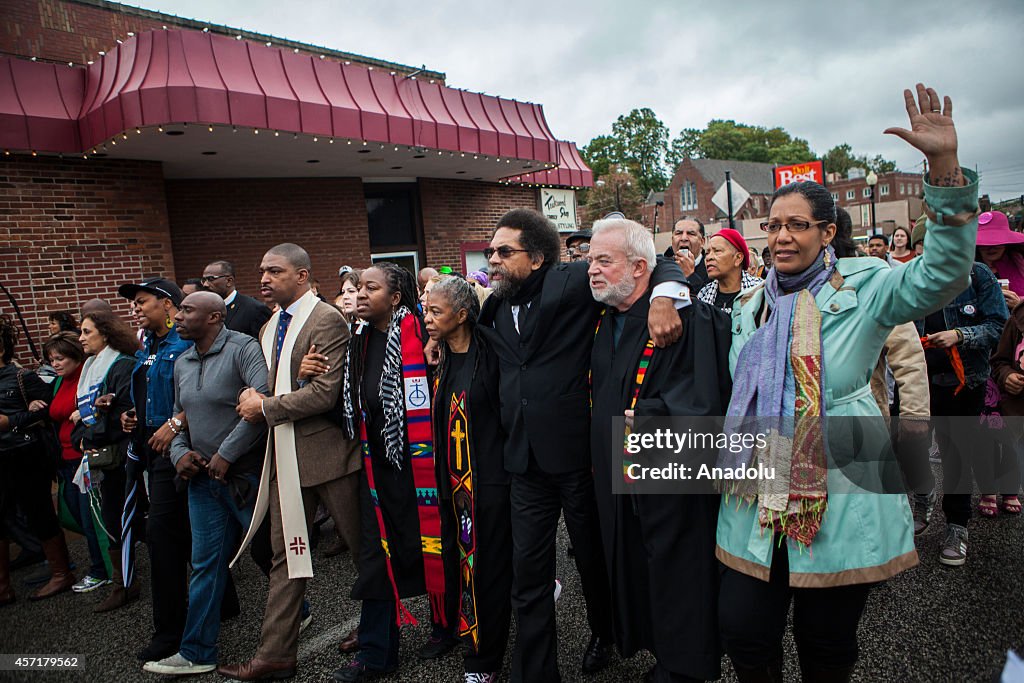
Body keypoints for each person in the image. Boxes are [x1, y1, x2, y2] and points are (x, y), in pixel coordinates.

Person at [716, 84, 980, 681]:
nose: (781, 236)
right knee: (743, 631)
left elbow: (942, 273)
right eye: (773, 226)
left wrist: (942, 166)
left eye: (798, 225)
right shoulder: (751, 303)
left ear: (827, 233)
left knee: (826, 643)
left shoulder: (867, 287)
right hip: (758, 487)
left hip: (840, 482)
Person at [479, 208, 686, 682]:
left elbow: (656, 262)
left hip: (578, 457)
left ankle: (604, 632)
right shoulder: (492, 306)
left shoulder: (572, 282)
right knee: (528, 571)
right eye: (490, 250)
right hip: (523, 461)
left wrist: (665, 296)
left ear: (535, 258)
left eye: (503, 251)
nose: (492, 259)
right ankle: (535, 673)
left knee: (595, 559)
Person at [587, 218, 731, 682]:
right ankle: (656, 649)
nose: (591, 270)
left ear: (640, 266)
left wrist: (655, 419)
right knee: (640, 564)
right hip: (622, 473)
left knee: (679, 566)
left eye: (603, 261)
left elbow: (705, 397)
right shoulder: (607, 318)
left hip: (671, 474)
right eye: (590, 260)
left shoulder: (686, 319)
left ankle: (685, 666)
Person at [221, 244, 361, 682]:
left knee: (365, 552)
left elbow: (325, 394)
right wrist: (258, 396)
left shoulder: (326, 319)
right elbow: (282, 385)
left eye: (274, 271)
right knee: (287, 559)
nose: (263, 278)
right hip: (284, 457)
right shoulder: (268, 327)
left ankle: (381, 631)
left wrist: (263, 406)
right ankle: (275, 656)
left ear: (301, 276)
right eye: (261, 270)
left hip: (330, 458)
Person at [331, 262, 456, 682]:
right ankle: (376, 653)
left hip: (424, 467)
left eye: (370, 287)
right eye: (356, 288)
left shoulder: (422, 336)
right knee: (375, 555)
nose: (359, 294)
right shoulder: (360, 339)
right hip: (379, 466)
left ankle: (448, 625)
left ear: (396, 297)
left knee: (435, 546)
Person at [143, 292, 269, 676]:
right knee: (205, 564)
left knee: (269, 552)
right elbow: (180, 417)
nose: (177, 316)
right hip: (202, 482)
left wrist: (227, 454)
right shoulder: (182, 361)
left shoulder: (243, 349)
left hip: (244, 475)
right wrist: (179, 453)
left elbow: (260, 405)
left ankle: (298, 612)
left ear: (214, 316)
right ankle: (197, 651)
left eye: (186, 310)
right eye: (179, 310)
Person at [425, 276, 510, 683]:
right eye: (426, 309)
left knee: (484, 571)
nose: (426, 319)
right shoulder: (440, 356)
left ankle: (484, 660)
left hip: (490, 487)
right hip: (454, 489)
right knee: (465, 569)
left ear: (461, 315)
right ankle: (475, 636)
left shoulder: (491, 352)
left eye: (435, 312)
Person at [914, 217, 1007, 556]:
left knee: (956, 456)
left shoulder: (978, 276)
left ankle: (957, 527)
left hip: (965, 381)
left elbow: (999, 324)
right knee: (911, 448)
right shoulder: (913, 281)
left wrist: (960, 335)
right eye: (923, 248)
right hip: (919, 381)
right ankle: (922, 500)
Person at [116, 277, 195, 661]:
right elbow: (148, 391)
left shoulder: (186, 343)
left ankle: (169, 634)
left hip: (180, 450)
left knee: (162, 539)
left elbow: (201, 392)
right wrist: (133, 415)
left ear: (168, 305)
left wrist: (176, 421)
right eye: (133, 303)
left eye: (142, 301)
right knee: (186, 533)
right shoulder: (149, 344)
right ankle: (225, 603)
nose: (135, 308)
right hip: (149, 447)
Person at [0, 316, 74, 605]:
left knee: (38, 511)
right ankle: (3, 587)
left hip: (25, 453)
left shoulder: (22, 377)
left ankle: (61, 573)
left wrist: (13, 420)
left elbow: (50, 410)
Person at [72, 311, 140, 611]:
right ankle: (122, 582)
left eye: (87, 332)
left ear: (106, 334)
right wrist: (84, 434)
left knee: (130, 520)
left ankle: (126, 583)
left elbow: (122, 415)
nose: (81, 338)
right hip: (102, 455)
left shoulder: (121, 365)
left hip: (122, 456)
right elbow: (85, 416)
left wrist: (89, 434)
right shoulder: (90, 367)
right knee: (113, 519)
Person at [41, 333, 111, 594]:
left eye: (60, 358)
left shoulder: (88, 377)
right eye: (51, 359)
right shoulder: (59, 382)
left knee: (90, 517)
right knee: (74, 515)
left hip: (85, 458)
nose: (55, 364)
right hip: (65, 460)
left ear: (74, 356)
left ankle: (101, 570)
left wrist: (84, 412)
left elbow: (98, 406)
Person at [974, 210, 1024, 514]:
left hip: (1014, 367)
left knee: (1013, 432)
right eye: (985, 242)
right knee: (985, 432)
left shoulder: (1020, 268)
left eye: (998, 241)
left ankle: (1010, 489)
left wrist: (1020, 306)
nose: (992, 247)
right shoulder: (969, 272)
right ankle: (988, 489)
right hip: (981, 364)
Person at [697, 228, 763, 314]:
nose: (709, 258)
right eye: (707, 253)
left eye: (717, 251)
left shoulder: (760, 291)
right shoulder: (703, 295)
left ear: (738, 258)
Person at [202, 260, 273, 339]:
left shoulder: (254, 309)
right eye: (204, 280)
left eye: (211, 279)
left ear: (229, 281)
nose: (205, 284)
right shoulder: (204, 310)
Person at [666, 217, 709, 290]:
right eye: (678, 233)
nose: (684, 238)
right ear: (672, 240)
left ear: (702, 242)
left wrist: (691, 276)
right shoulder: (663, 269)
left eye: (691, 234)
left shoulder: (712, 269)